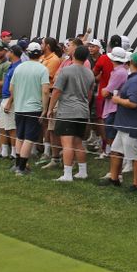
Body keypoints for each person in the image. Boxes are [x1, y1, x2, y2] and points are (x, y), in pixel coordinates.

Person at [47, 44, 94, 182]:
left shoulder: (66, 71)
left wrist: (50, 108)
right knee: (78, 142)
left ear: (73, 55)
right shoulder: (90, 73)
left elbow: (56, 91)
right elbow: (90, 93)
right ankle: (82, 171)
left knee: (67, 143)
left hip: (67, 111)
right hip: (83, 110)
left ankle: (67, 174)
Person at [105, 51, 137, 190]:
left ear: (131, 63)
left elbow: (133, 102)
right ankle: (114, 179)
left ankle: (136, 185)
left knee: (135, 156)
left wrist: (117, 99)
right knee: (116, 151)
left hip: (133, 125)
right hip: (125, 123)